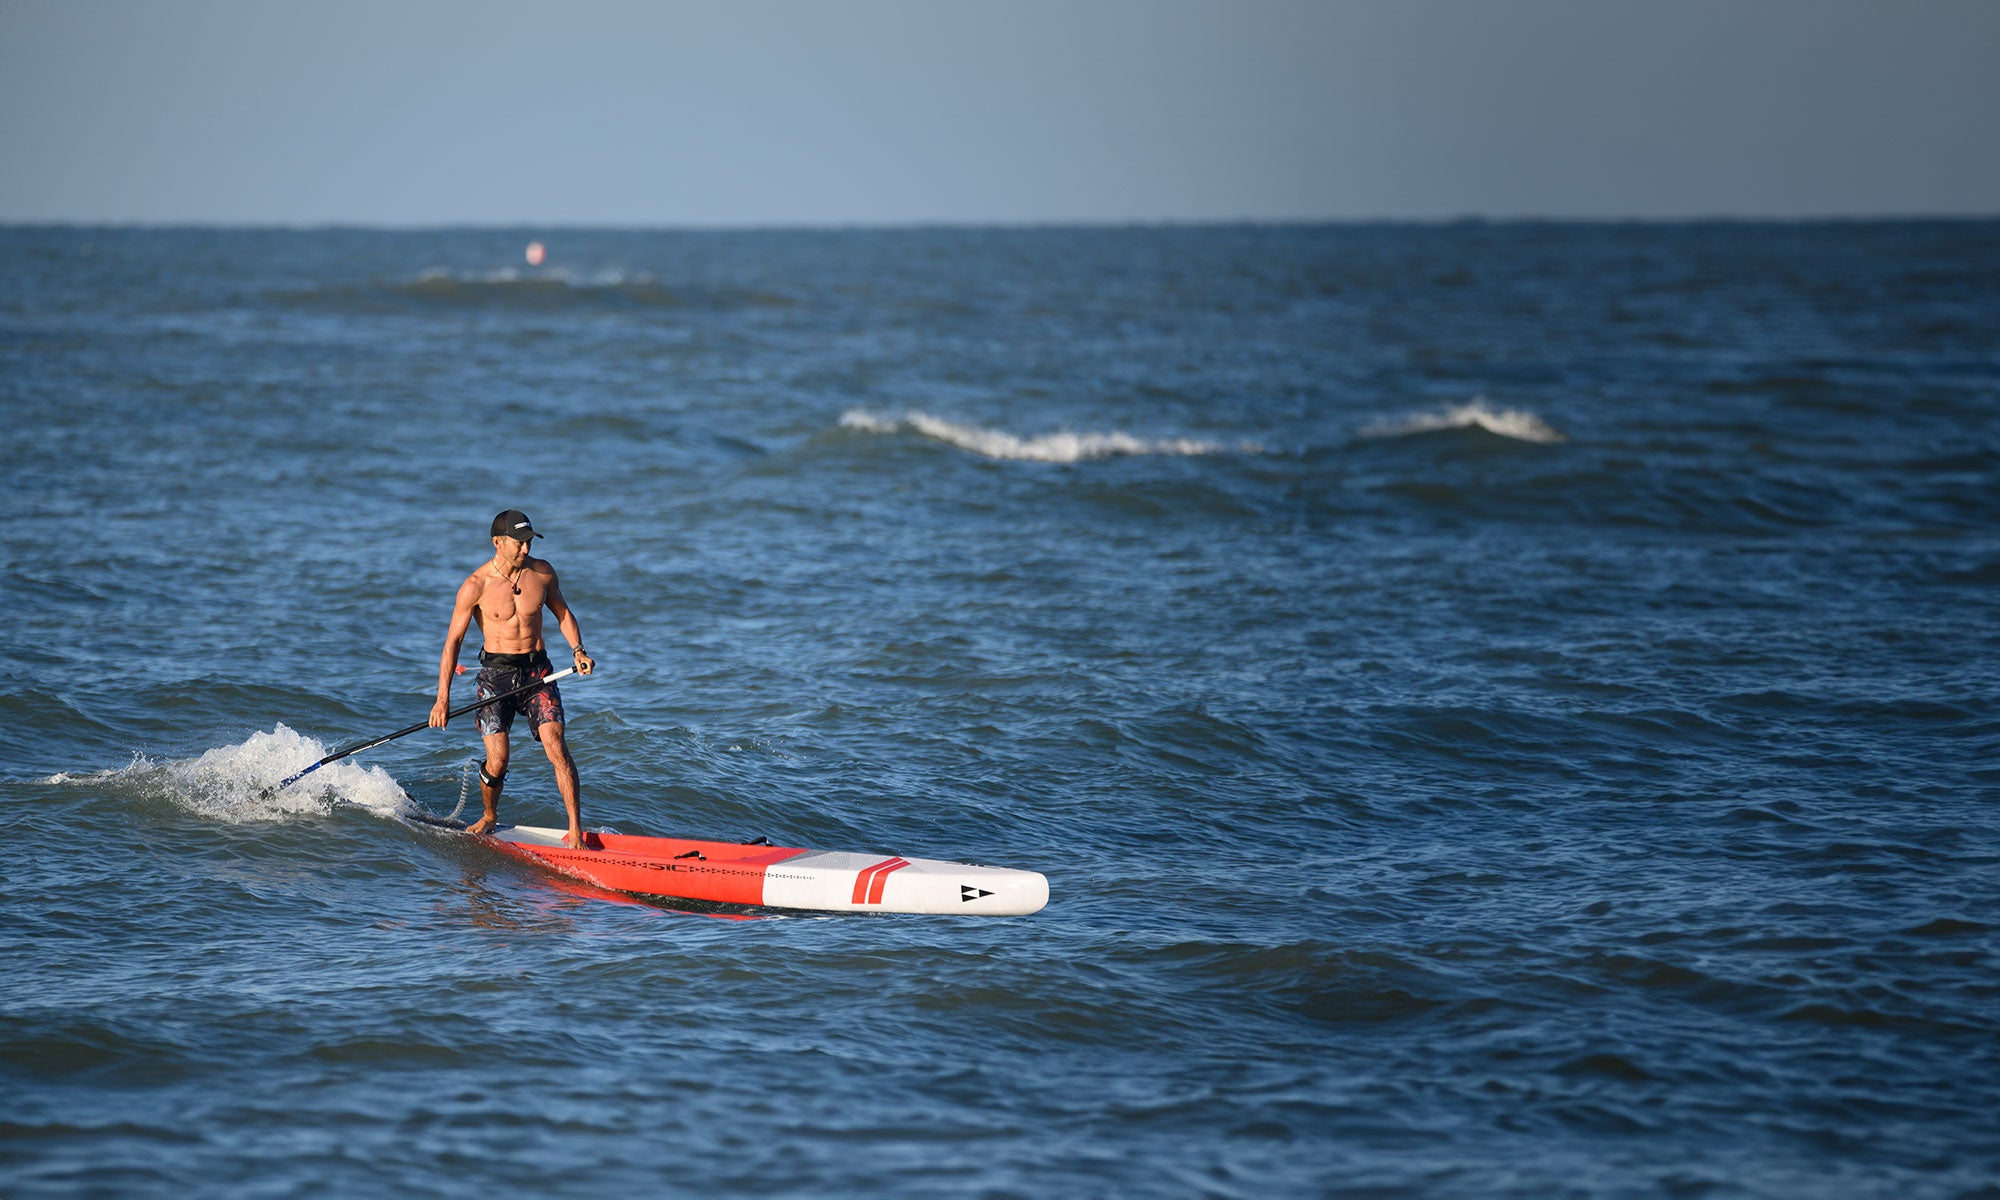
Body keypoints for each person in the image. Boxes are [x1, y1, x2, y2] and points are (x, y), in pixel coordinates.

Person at [431, 509, 596, 849]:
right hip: (496, 676)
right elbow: (452, 644)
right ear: (497, 542)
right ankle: (489, 815)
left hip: (538, 672)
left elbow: (563, 614)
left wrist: (578, 650)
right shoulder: (475, 585)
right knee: (498, 759)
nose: (526, 549)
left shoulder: (543, 573)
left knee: (556, 746)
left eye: (529, 542)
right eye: (519, 543)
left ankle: (576, 831)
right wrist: (442, 699)